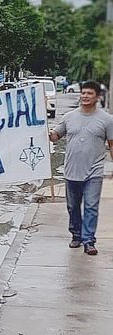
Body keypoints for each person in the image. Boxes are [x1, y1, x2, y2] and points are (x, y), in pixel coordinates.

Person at [49, 81, 113, 255]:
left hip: (94, 171)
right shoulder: (69, 116)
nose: (85, 96)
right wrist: (49, 133)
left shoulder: (107, 120)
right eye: (83, 93)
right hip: (71, 170)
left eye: (89, 93)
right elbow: (56, 136)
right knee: (73, 206)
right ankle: (76, 235)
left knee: (91, 206)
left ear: (97, 97)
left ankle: (89, 241)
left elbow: (111, 145)